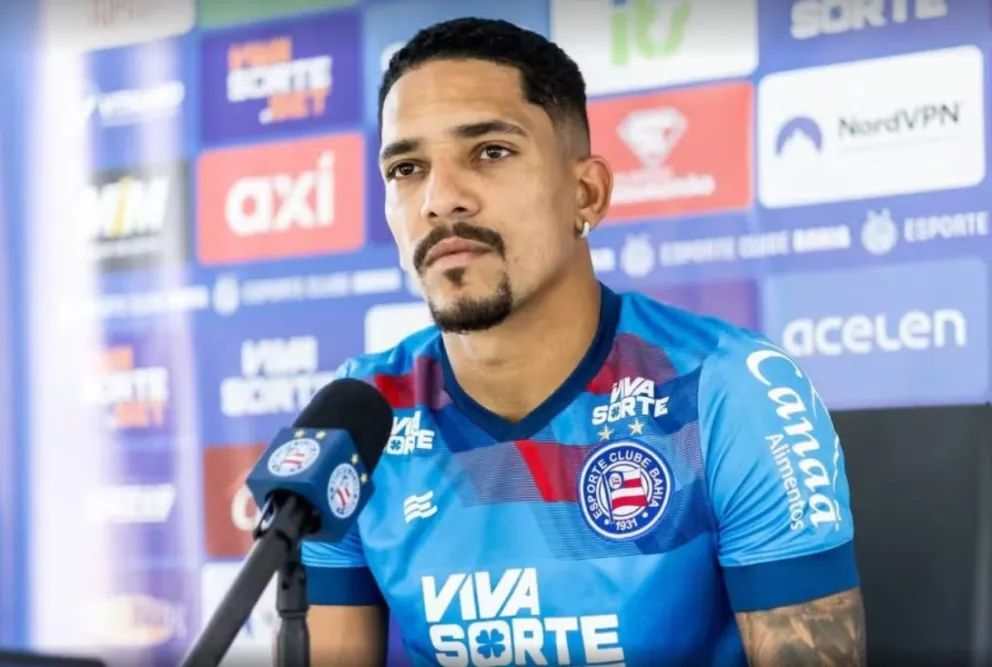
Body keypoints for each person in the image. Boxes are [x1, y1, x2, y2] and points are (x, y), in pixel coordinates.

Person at [299, 17, 866, 667]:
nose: (440, 198)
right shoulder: (358, 416)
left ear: (586, 192)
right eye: (407, 167)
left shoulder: (725, 388)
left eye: (490, 151)